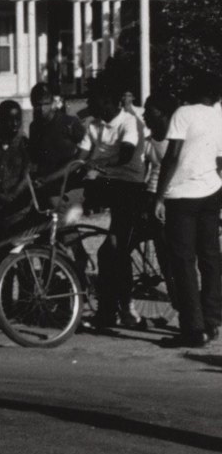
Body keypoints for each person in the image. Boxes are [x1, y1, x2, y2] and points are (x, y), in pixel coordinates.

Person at [152, 73, 222, 349]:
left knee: (183, 262)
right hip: (211, 190)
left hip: (182, 196)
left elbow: (172, 156)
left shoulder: (183, 113)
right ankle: (212, 320)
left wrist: (159, 196)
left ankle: (193, 329)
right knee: (210, 257)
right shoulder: (217, 114)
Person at [82, 83, 149, 332]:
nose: (89, 105)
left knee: (115, 250)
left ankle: (126, 309)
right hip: (109, 184)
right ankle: (108, 312)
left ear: (107, 101)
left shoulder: (129, 122)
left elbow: (125, 155)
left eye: (93, 100)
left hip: (130, 187)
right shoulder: (93, 125)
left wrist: (98, 163)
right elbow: (80, 157)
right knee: (108, 252)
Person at [0, 99, 34, 241]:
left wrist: (13, 196)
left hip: (20, 211)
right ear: (1, 120)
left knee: (19, 248)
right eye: (10, 120)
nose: (15, 124)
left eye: (18, 120)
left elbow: (27, 176)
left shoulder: (25, 145)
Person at [27, 82, 87, 195]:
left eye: (46, 104)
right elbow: (34, 158)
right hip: (44, 185)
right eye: (38, 105)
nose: (42, 108)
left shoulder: (69, 123)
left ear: (52, 103)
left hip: (68, 185)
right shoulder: (34, 127)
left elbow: (87, 150)